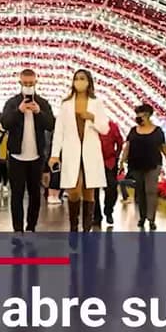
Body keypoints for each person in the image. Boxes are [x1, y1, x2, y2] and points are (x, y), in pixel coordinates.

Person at [49, 69, 109, 233]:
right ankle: (73, 227)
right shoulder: (66, 104)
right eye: (77, 78)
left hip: (90, 152)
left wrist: (93, 118)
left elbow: (105, 129)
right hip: (71, 152)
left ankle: (86, 231)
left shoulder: (97, 103)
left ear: (89, 81)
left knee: (89, 193)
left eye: (82, 78)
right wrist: (55, 154)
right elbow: (59, 130)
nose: (79, 81)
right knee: (74, 191)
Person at [0, 68, 55, 235]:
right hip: (16, 156)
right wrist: (19, 111)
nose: (28, 86)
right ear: (20, 83)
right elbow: (5, 123)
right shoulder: (12, 102)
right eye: (25, 84)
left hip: (36, 156)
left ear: (36, 83)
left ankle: (31, 227)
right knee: (16, 194)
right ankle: (17, 229)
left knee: (35, 195)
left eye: (31, 83)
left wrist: (39, 112)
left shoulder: (43, 103)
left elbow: (51, 124)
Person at [120, 103, 166, 231]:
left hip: (153, 164)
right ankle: (142, 217)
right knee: (140, 192)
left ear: (148, 115)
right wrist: (121, 161)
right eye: (137, 114)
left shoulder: (157, 131)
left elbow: (163, 147)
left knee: (151, 191)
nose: (139, 117)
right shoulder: (133, 130)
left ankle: (151, 219)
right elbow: (127, 146)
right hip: (136, 164)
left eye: (142, 114)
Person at [94, 118, 124, 227]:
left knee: (111, 188)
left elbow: (120, 142)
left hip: (109, 162)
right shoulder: (89, 126)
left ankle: (108, 210)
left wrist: (116, 156)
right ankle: (96, 216)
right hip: (93, 162)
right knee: (93, 191)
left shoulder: (111, 125)